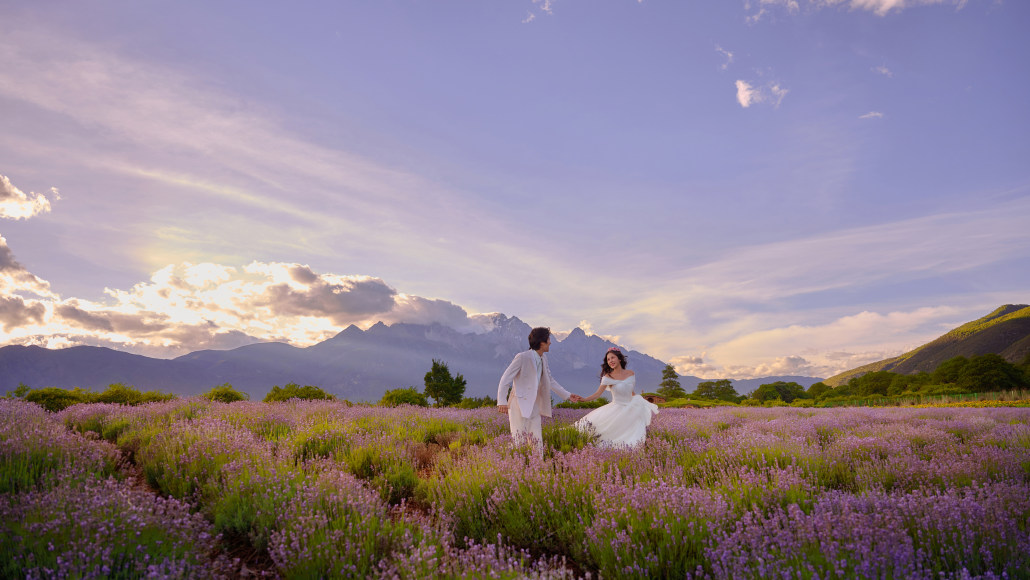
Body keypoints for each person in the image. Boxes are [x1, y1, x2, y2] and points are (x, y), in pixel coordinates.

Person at [497, 327, 583, 450]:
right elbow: (505, 378)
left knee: (537, 442)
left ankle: (538, 466)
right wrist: (502, 401)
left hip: (535, 405)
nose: (550, 342)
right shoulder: (522, 357)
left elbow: (550, 380)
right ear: (542, 342)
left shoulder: (544, 358)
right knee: (518, 441)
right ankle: (512, 466)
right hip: (518, 404)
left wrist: (568, 395)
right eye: (548, 339)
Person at [574, 347, 658, 448]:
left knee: (634, 434)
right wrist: (584, 399)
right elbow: (597, 394)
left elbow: (631, 391)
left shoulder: (631, 373)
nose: (610, 361)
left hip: (631, 407)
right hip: (616, 408)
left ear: (619, 359)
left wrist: (640, 402)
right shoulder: (608, 377)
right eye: (608, 359)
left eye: (612, 358)